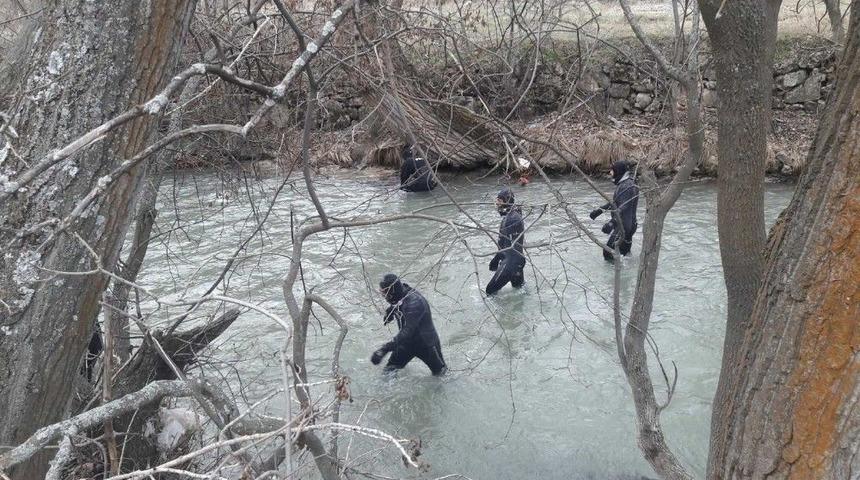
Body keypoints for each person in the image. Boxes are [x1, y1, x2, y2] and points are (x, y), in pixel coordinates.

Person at [370, 274, 447, 375]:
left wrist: (384, 349)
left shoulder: (415, 303)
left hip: (426, 345)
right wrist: (390, 312)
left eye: (384, 293)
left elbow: (407, 331)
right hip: (406, 344)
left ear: (392, 292)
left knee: (441, 374)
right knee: (388, 372)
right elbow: (397, 303)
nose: (383, 296)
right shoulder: (400, 294)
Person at [589, 160, 640, 261]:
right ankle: (627, 274)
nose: (610, 173)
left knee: (608, 253)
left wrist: (611, 223)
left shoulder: (627, 186)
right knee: (624, 256)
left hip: (624, 226)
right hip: (629, 224)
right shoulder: (626, 183)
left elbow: (623, 207)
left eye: (612, 170)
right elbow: (615, 203)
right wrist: (599, 211)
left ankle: (613, 275)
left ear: (619, 171)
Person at [486, 187, 526, 295]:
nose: (496, 203)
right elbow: (505, 244)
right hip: (517, 261)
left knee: (489, 291)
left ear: (507, 201)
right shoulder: (511, 215)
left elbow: (509, 247)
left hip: (511, 262)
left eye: (499, 200)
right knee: (520, 292)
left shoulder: (512, 218)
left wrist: (497, 259)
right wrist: (497, 258)